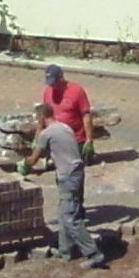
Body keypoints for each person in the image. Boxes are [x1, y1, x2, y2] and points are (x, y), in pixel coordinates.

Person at [32, 102, 104, 267]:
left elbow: (34, 159)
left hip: (68, 177)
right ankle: (66, 251)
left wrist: (23, 165)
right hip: (78, 173)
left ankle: (94, 254)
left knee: (71, 217)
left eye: (37, 119)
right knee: (64, 213)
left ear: (42, 118)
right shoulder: (65, 127)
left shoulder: (47, 133)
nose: (37, 122)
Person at [41, 64, 96, 163]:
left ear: (61, 77)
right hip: (56, 139)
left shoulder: (77, 91)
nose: (53, 86)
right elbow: (44, 114)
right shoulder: (47, 92)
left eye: (55, 83)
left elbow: (86, 115)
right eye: (51, 84)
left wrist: (89, 140)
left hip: (75, 139)